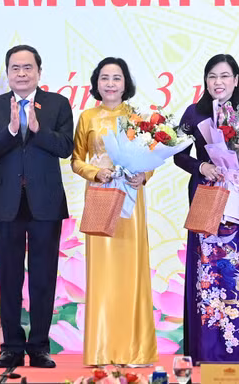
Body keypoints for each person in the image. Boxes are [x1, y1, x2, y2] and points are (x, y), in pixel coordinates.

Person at [173, 54, 239, 365]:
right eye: (212, 76)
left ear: (237, 80)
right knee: (209, 269)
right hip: (208, 194)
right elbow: (178, 154)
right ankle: (206, 350)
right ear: (205, 81)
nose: (218, 82)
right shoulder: (194, 113)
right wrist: (201, 165)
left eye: (225, 76)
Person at [0, 45, 74, 369]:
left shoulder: (57, 105)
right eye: (15, 68)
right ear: (7, 73)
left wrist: (37, 129)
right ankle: (11, 347)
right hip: (7, 204)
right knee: (8, 279)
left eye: (27, 68)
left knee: (43, 278)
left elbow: (65, 148)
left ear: (38, 71)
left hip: (45, 205)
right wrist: (10, 131)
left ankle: (39, 347)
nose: (21, 73)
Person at [71, 57, 158, 366]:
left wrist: (143, 176)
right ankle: (102, 349)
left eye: (116, 78)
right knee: (102, 273)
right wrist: (96, 173)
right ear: (96, 82)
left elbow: (151, 159)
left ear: (125, 83)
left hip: (131, 202)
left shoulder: (138, 118)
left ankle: (135, 350)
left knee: (131, 271)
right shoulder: (87, 117)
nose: (110, 83)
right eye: (105, 77)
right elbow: (76, 160)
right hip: (99, 197)